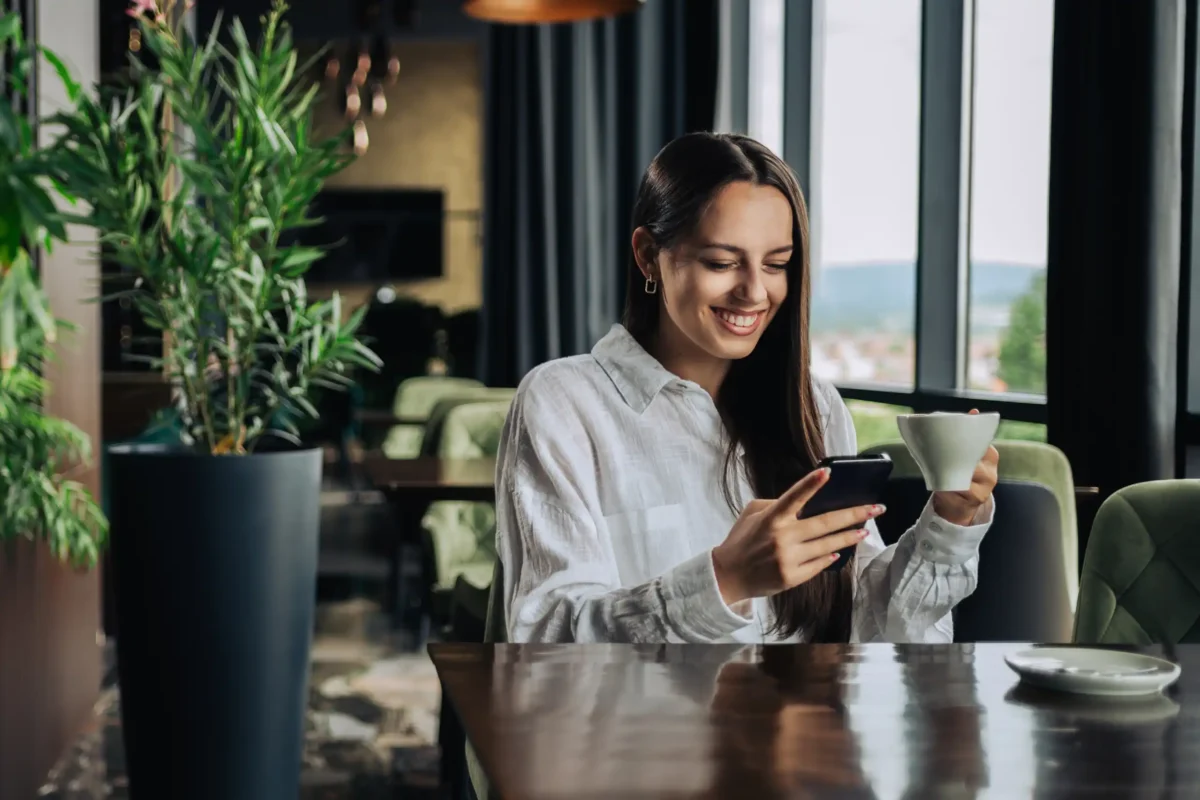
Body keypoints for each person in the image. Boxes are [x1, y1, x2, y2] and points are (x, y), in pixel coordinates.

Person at [494, 132, 998, 644]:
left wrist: (949, 522)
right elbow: (544, 640)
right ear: (648, 256)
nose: (755, 292)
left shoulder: (814, 406)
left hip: (797, 722)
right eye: (721, 262)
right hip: (644, 725)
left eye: (777, 265)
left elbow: (867, 624)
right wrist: (724, 579)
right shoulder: (564, 403)